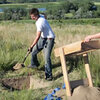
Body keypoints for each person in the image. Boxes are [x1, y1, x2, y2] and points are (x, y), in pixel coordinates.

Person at [28, 8, 55, 81]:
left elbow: (37, 37)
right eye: (31, 16)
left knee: (46, 58)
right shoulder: (41, 16)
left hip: (49, 39)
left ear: (36, 16)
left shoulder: (40, 23)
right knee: (33, 52)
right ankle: (34, 65)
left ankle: (49, 75)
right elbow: (44, 15)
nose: (31, 18)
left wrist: (31, 46)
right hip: (43, 38)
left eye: (32, 16)